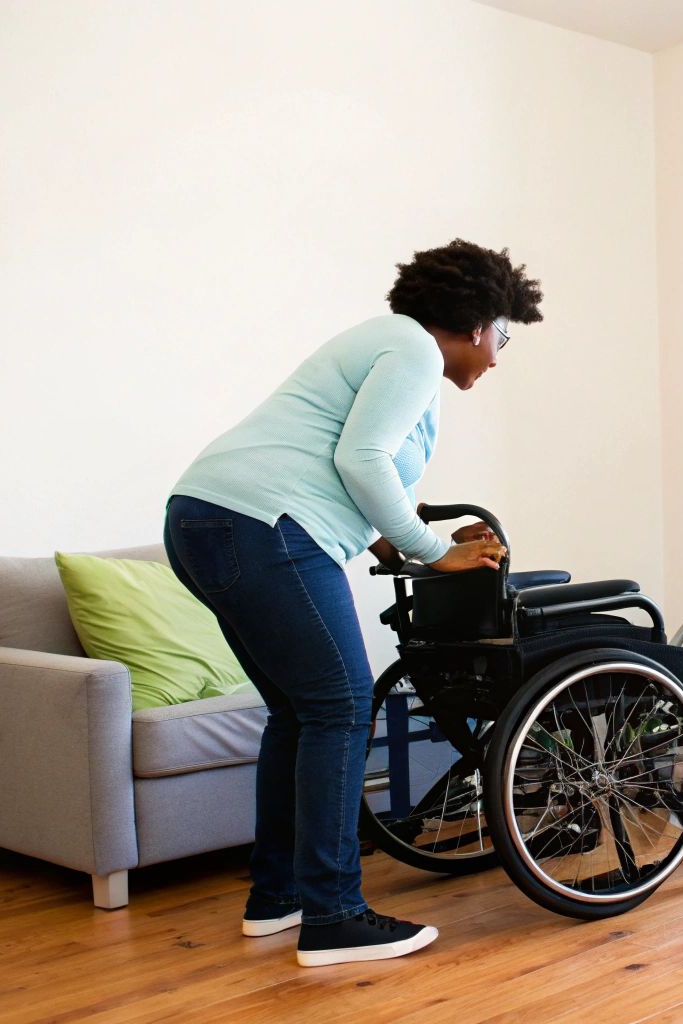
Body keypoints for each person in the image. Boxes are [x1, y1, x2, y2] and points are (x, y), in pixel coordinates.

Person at [161, 240, 541, 967]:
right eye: (502, 335)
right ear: (473, 323)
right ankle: (333, 915)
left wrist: (409, 539)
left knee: (298, 713)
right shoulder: (413, 352)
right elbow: (359, 460)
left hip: (207, 519)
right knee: (337, 706)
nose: (496, 356)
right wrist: (435, 551)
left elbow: (339, 468)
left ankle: (278, 898)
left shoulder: (385, 343)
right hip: (262, 527)